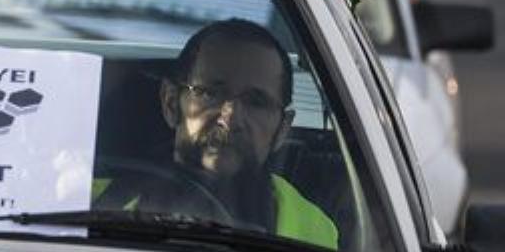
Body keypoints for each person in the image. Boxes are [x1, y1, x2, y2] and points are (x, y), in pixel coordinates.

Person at [95, 19, 339, 249]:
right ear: (171, 103)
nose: (230, 117)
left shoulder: (315, 229)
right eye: (210, 93)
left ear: (282, 128)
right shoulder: (87, 199)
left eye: (256, 102)